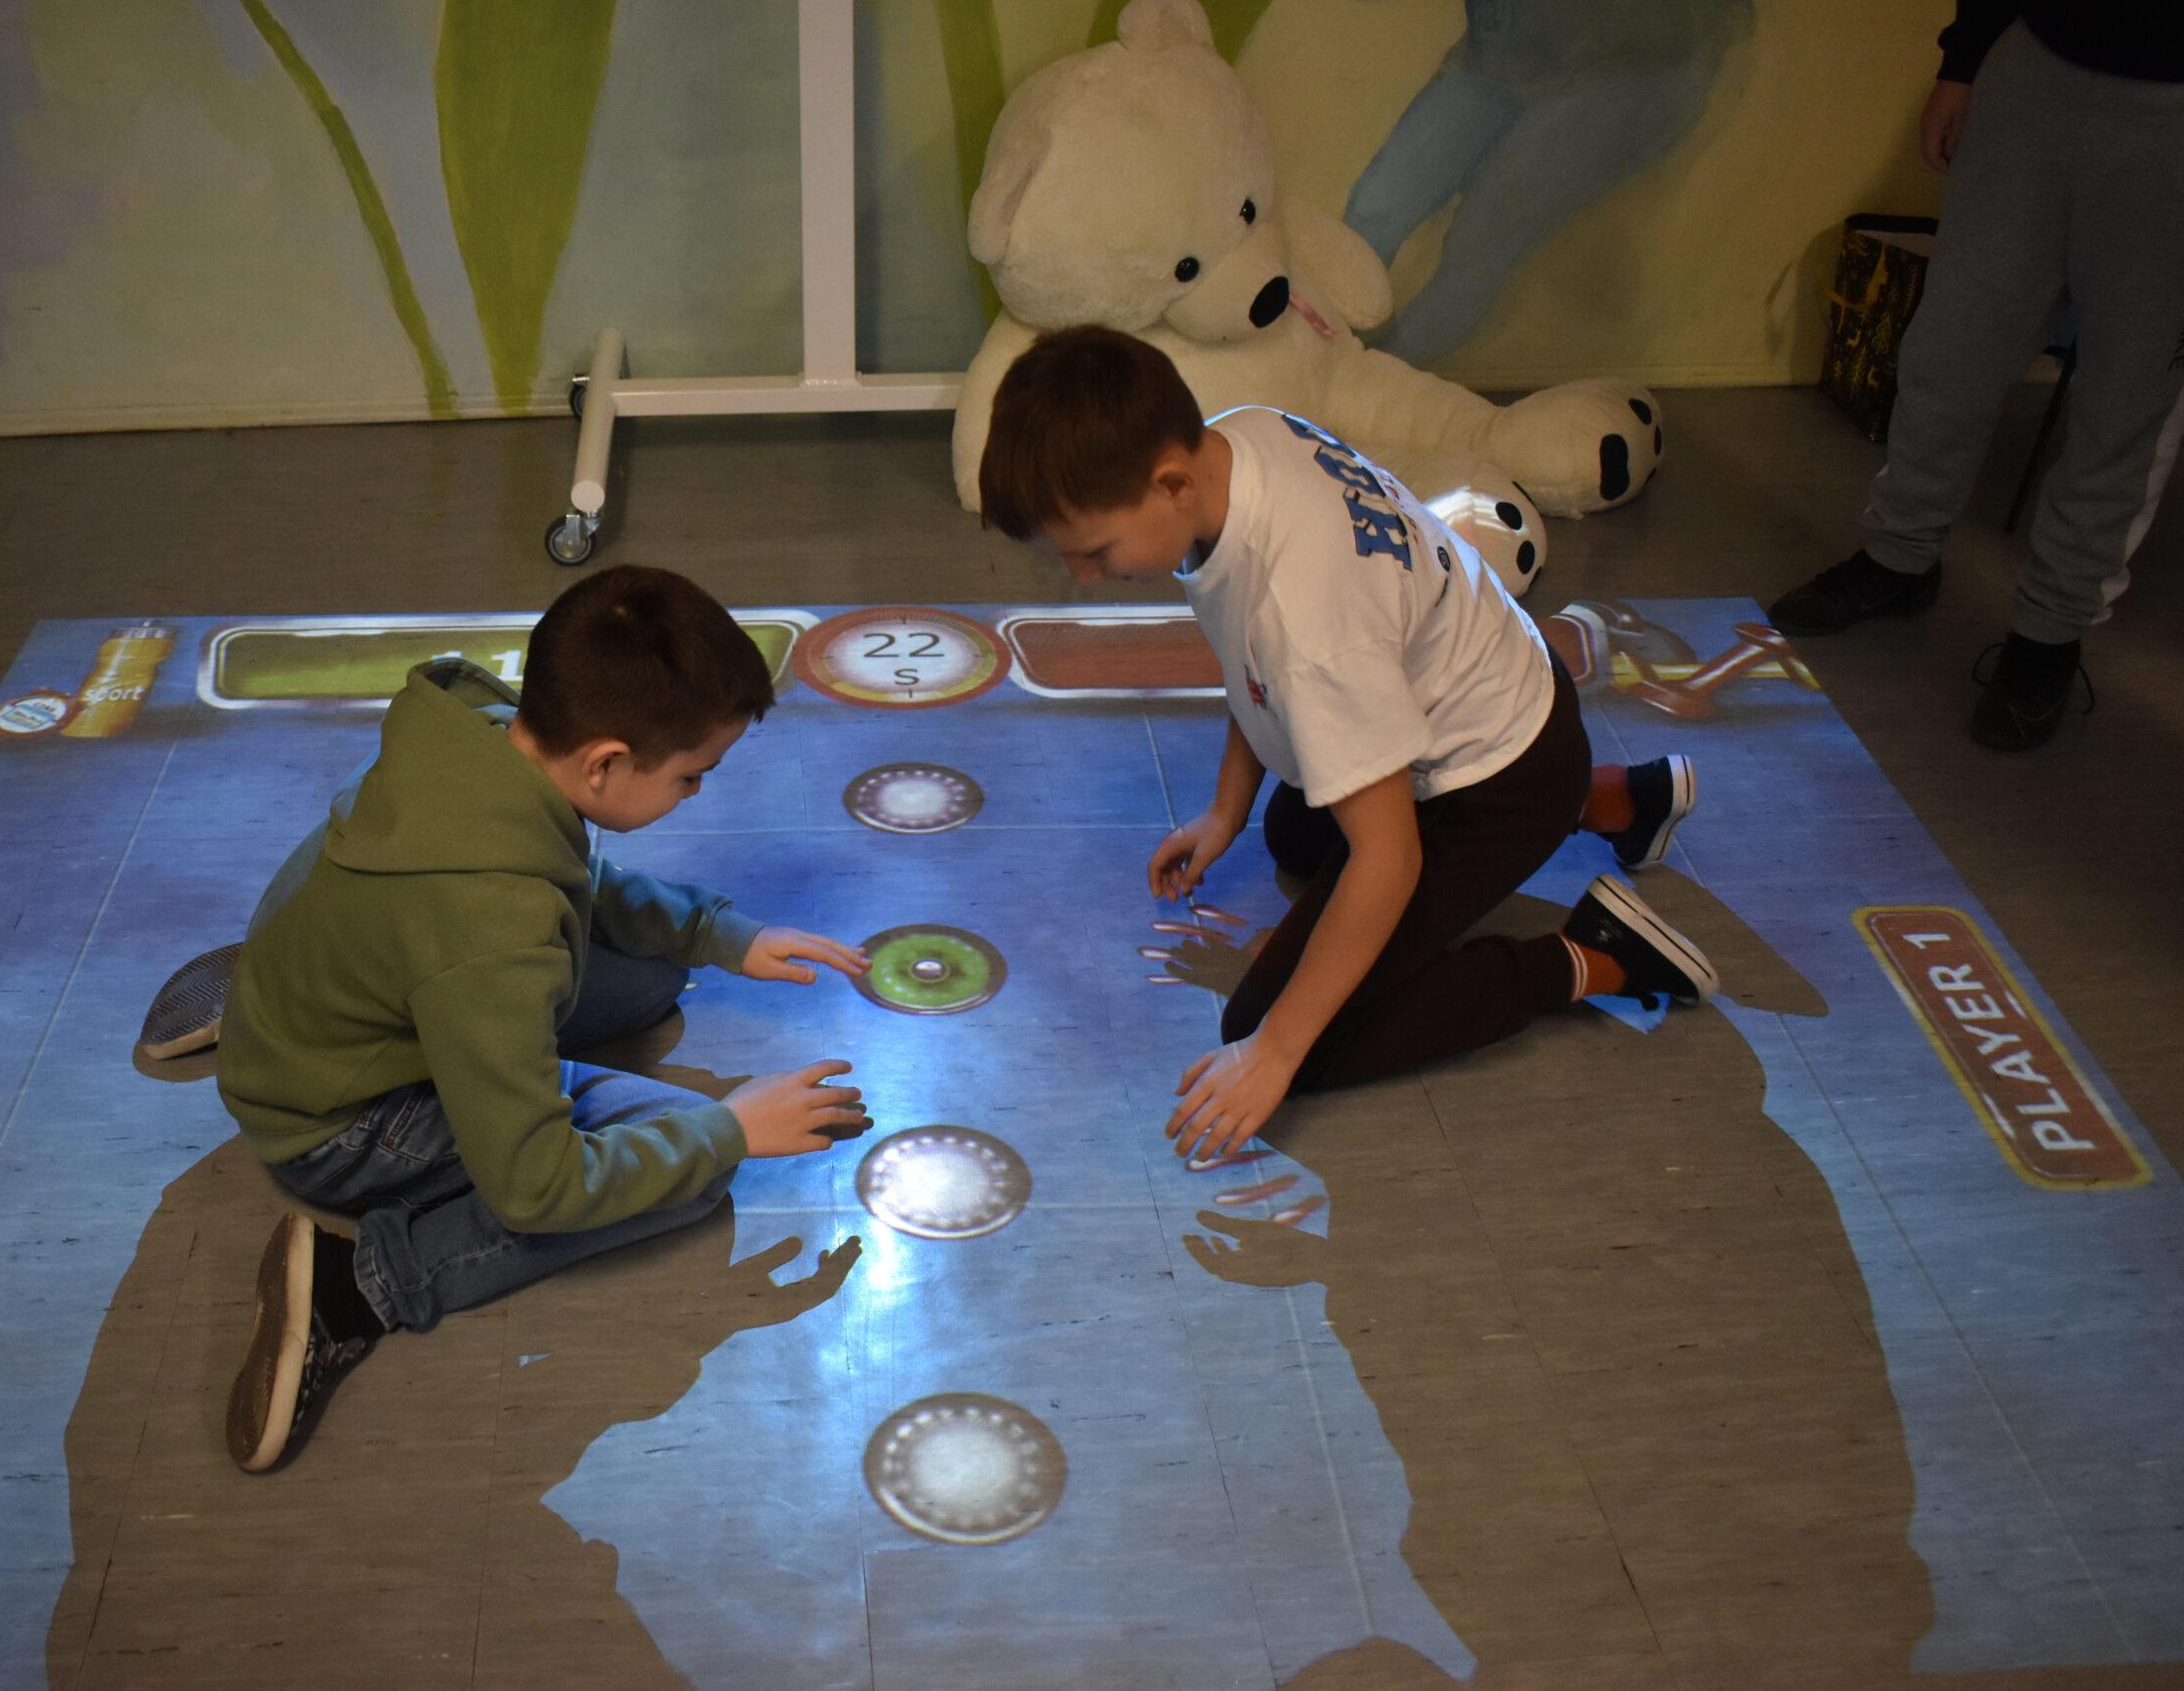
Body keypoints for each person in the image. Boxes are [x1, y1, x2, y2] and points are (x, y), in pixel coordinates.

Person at [980, 326, 1717, 1161]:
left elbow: (1389, 858)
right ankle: (1609, 800)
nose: (1083, 576)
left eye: (1093, 551)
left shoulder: (1308, 618)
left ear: (1171, 482)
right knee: (1293, 832)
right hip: (1499, 685)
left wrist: (1274, 1052)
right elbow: (1253, 658)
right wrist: (1226, 811)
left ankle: (1593, 956)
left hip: (1498, 779)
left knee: (1281, 1027)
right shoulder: (1241, 439)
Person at [215, 565, 871, 1473]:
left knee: (651, 971)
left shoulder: (484, 737)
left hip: (337, 999)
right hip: (337, 1125)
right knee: (690, 1172)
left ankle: (316, 981)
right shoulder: (491, 931)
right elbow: (537, 1187)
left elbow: (569, 878)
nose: (696, 793)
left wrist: (718, 933)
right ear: (604, 761)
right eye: (691, 776)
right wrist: (729, 1129)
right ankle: (360, 1286)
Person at [1768, 2, 2184, 749]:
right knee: (1951, 352)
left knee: (2128, 406)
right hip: (2037, 69)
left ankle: (2050, 634)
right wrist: (1961, 64)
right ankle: (1898, 558)